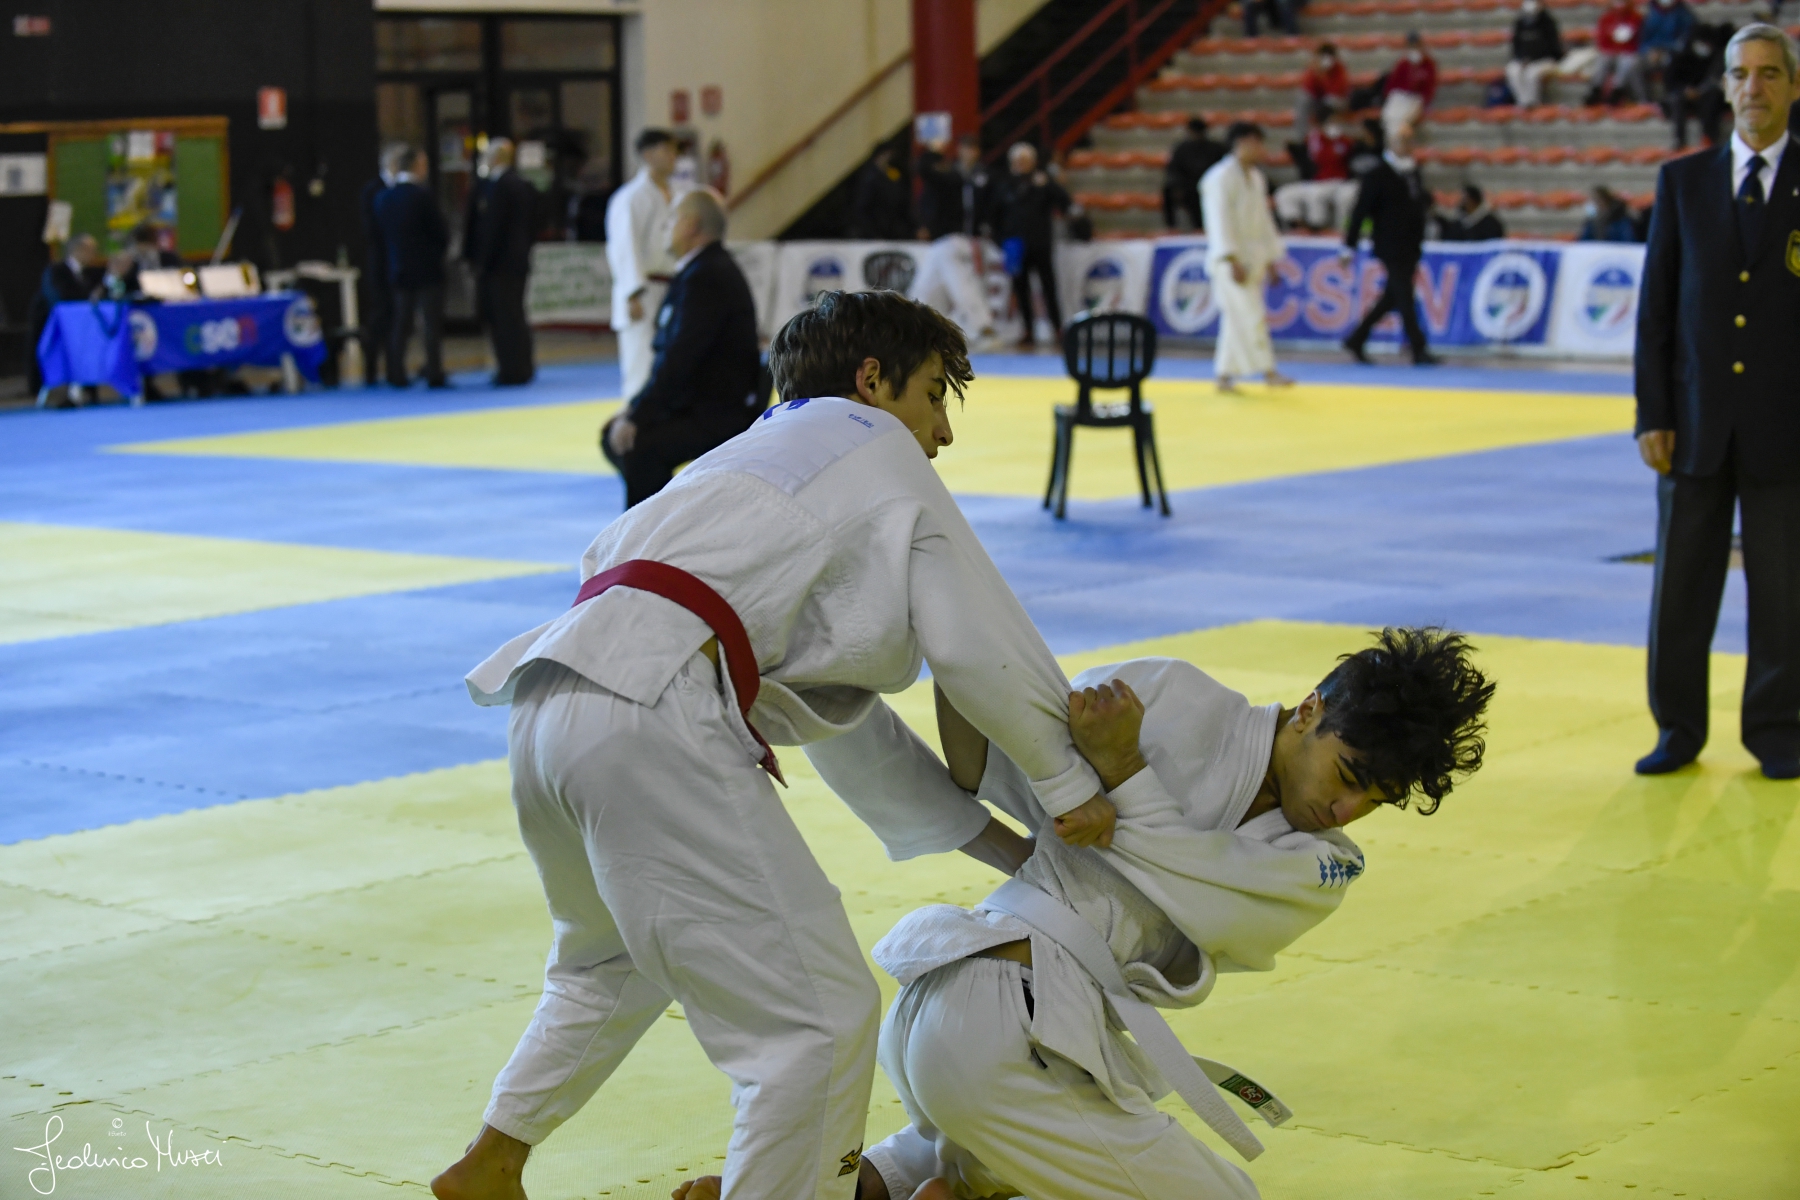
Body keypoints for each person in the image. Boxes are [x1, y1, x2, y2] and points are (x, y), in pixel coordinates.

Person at [430, 289, 1119, 1200]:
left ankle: (492, 1161)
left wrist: (1005, 848)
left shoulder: (743, 462)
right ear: (871, 382)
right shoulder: (877, 447)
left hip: (551, 700)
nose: (942, 433)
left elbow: (846, 727)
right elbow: (979, 644)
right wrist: (1069, 788)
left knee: (612, 960)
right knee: (819, 1025)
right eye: (931, 396)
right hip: (654, 713)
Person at [677, 628, 1495, 1200]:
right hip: (994, 1012)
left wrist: (1125, 777)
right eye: (1348, 775)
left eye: (1376, 800)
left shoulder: (1327, 863)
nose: (1346, 811)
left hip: (1024, 1034)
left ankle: (862, 1186)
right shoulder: (1171, 694)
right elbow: (989, 766)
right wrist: (966, 660)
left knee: (1003, 1154)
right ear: (1311, 709)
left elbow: (1201, 889)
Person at [1632, 23, 1800, 780]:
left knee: (1785, 594)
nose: (1753, 87)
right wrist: (1652, 413)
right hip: (1692, 424)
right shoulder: (1683, 181)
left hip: (1785, 428)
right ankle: (1677, 729)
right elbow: (1656, 310)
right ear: (1725, 86)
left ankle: (1777, 729)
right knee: (1679, 590)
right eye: (1741, 74)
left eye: (1770, 73)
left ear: (1792, 86)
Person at [598, 190, 761, 507]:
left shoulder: (706, 277)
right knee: (617, 436)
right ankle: (664, 516)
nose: (667, 228)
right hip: (705, 404)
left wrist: (639, 416)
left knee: (635, 445)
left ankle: (651, 529)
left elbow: (680, 361)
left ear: (690, 224)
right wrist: (637, 409)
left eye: (671, 219)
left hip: (714, 413)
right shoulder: (704, 270)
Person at [1201, 122, 1292, 393]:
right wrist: (1230, 259)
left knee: (1237, 319)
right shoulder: (1218, 177)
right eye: (1256, 143)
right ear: (1241, 143)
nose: (1261, 149)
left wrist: (1271, 259)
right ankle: (1268, 371)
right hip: (1230, 261)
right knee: (1251, 315)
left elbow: (1264, 221)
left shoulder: (1256, 178)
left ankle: (1224, 375)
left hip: (1254, 257)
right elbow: (1218, 221)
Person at [1340, 125, 1440, 366]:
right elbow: (1360, 210)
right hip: (1389, 245)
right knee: (1404, 295)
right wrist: (1349, 245)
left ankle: (1357, 338)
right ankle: (1418, 347)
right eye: (1402, 140)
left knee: (1392, 297)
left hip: (1411, 245)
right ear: (1391, 143)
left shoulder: (1412, 171)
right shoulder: (1377, 174)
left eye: (1410, 140)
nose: (1407, 145)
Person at [606, 129, 681, 403]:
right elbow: (624, 248)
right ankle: (634, 418)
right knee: (640, 363)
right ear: (647, 155)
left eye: (674, 150)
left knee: (671, 360)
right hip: (642, 288)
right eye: (666, 150)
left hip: (671, 286)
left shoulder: (677, 194)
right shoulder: (630, 197)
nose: (673, 156)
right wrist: (632, 294)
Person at [464, 138, 539, 386]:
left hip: (500, 264)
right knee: (515, 315)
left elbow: (493, 228)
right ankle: (521, 366)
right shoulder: (522, 185)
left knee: (504, 317)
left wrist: (481, 261)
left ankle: (511, 368)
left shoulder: (500, 187)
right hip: (516, 261)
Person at [375, 147, 450, 389]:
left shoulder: (384, 198)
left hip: (399, 268)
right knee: (430, 323)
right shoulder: (423, 196)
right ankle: (434, 372)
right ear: (416, 166)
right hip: (427, 269)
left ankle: (396, 372)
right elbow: (440, 232)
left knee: (401, 323)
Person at [995, 142, 1071, 347]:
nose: (1021, 165)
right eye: (1018, 161)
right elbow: (996, 214)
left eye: (1025, 161)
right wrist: (1001, 240)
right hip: (1016, 245)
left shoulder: (1042, 181)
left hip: (1040, 243)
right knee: (1021, 289)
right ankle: (1027, 329)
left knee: (1048, 286)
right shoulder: (1005, 184)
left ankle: (1058, 328)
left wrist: (1049, 184)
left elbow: (1064, 202)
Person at [27, 233, 105, 396]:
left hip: (80, 324)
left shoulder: (89, 273)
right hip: (51, 323)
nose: (94, 254)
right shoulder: (56, 270)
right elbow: (62, 297)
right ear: (77, 249)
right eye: (91, 250)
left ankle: (88, 389)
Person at [359, 144, 404, 386]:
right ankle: (371, 369)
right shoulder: (373, 190)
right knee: (380, 316)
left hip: (400, 263)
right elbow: (371, 228)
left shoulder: (402, 190)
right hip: (381, 263)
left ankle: (395, 369)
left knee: (399, 318)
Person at [1273, 115, 1358, 232]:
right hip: (1318, 181)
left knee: (1316, 195)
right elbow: (1306, 154)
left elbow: (1333, 156)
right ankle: (1297, 227)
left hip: (1339, 182)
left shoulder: (1345, 141)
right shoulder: (1314, 139)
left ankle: (1320, 229)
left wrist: (1335, 139)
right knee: (1284, 193)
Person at [1664, 21, 1731, 147]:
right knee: (1677, 100)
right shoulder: (1681, 56)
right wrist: (1685, 90)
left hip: (1706, 95)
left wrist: (1701, 91)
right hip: (1685, 95)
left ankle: (1709, 138)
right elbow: (1671, 81)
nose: (1705, 47)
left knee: (1714, 99)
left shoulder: (1715, 57)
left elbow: (1716, 79)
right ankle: (1679, 140)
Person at [917, 135, 993, 241]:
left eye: (972, 148)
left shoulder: (985, 174)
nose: (969, 153)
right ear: (959, 149)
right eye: (966, 148)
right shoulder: (948, 172)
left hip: (976, 231)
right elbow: (926, 175)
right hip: (949, 230)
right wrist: (934, 152)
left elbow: (990, 203)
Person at [1163, 118, 1223, 231]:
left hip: (1211, 186)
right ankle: (1171, 227)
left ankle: (1200, 226)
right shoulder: (1182, 149)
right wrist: (1177, 186)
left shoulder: (1217, 148)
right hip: (1189, 187)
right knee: (1169, 191)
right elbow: (1174, 170)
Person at [1382, 32, 1438, 146]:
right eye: (1411, 46)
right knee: (1389, 116)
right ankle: (1393, 146)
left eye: (1416, 46)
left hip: (1416, 98)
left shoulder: (1428, 65)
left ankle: (1398, 147)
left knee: (1402, 121)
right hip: (1399, 96)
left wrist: (1424, 103)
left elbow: (1429, 88)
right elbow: (1392, 85)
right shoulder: (1403, 64)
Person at [1507, 0, 1566, 108]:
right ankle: (1522, 102)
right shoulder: (1520, 23)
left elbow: (1553, 48)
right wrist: (1521, 58)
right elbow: (1516, 47)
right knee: (1512, 70)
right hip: (1524, 60)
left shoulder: (1548, 23)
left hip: (1545, 60)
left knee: (1531, 74)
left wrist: (1532, 59)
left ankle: (1533, 103)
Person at [851, 144, 914, 240]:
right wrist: (872, 233)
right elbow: (863, 207)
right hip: (876, 231)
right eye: (887, 155)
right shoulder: (870, 178)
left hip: (892, 229)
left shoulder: (892, 174)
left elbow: (901, 201)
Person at [1589, 0, 1646, 104]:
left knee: (1626, 60)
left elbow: (1639, 41)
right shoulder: (1606, 18)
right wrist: (1613, 49)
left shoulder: (1636, 18)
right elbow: (1601, 41)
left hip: (1629, 52)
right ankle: (1596, 89)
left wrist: (1622, 49)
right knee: (1603, 59)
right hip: (1611, 52)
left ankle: (1618, 90)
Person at [1640, 0, 1697, 95]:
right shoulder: (1649, 14)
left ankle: (1671, 97)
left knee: (1672, 64)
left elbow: (1685, 39)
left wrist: (1664, 50)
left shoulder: (1684, 14)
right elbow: (1642, 39)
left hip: (1672, 52)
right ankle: (1642, 98)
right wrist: (1650, 50)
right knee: (1635, 66)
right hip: (1651, 53)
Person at [1298, 42, 1351, 132]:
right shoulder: (1314, 69)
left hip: (1335, 101)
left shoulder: (1339, 70)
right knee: (1303, 100)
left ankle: (1323, 132)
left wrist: (1324, 76)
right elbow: (1308, 88)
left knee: (1329, 104)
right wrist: (1317, 73)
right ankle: (1301, 136)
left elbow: (1337, 91)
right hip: (1318, 100)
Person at [1436, 182, 1506, 240]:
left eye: (1464, 198)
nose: (1461, 202)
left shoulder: (1491, 224)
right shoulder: (1457, 224)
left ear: (1473, 201)